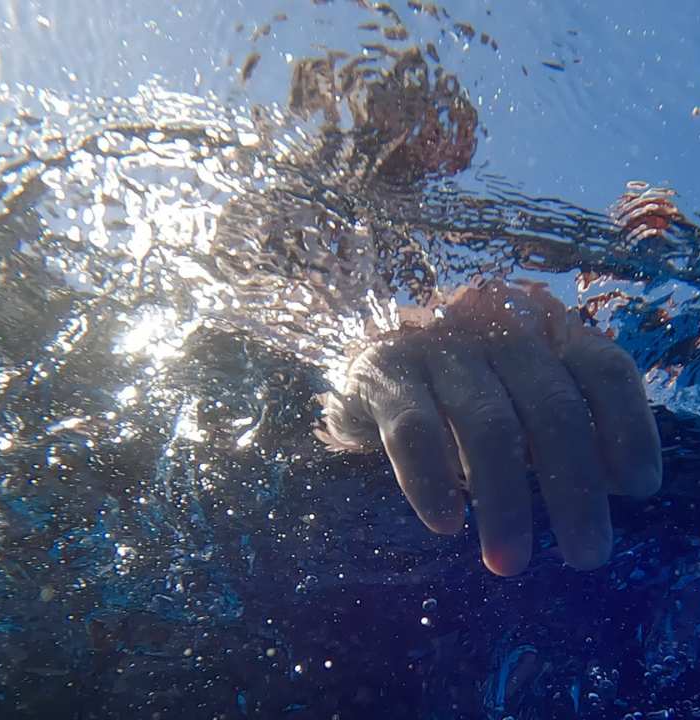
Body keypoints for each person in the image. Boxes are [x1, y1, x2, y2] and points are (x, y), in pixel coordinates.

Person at [280, 47, 663, 576]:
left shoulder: (473, 226)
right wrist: (368, 360)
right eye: (403, 108)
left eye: (445, 118)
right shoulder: (285, 209)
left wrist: (645, 261)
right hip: (333, 490)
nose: (432, 138)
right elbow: (272, 297)